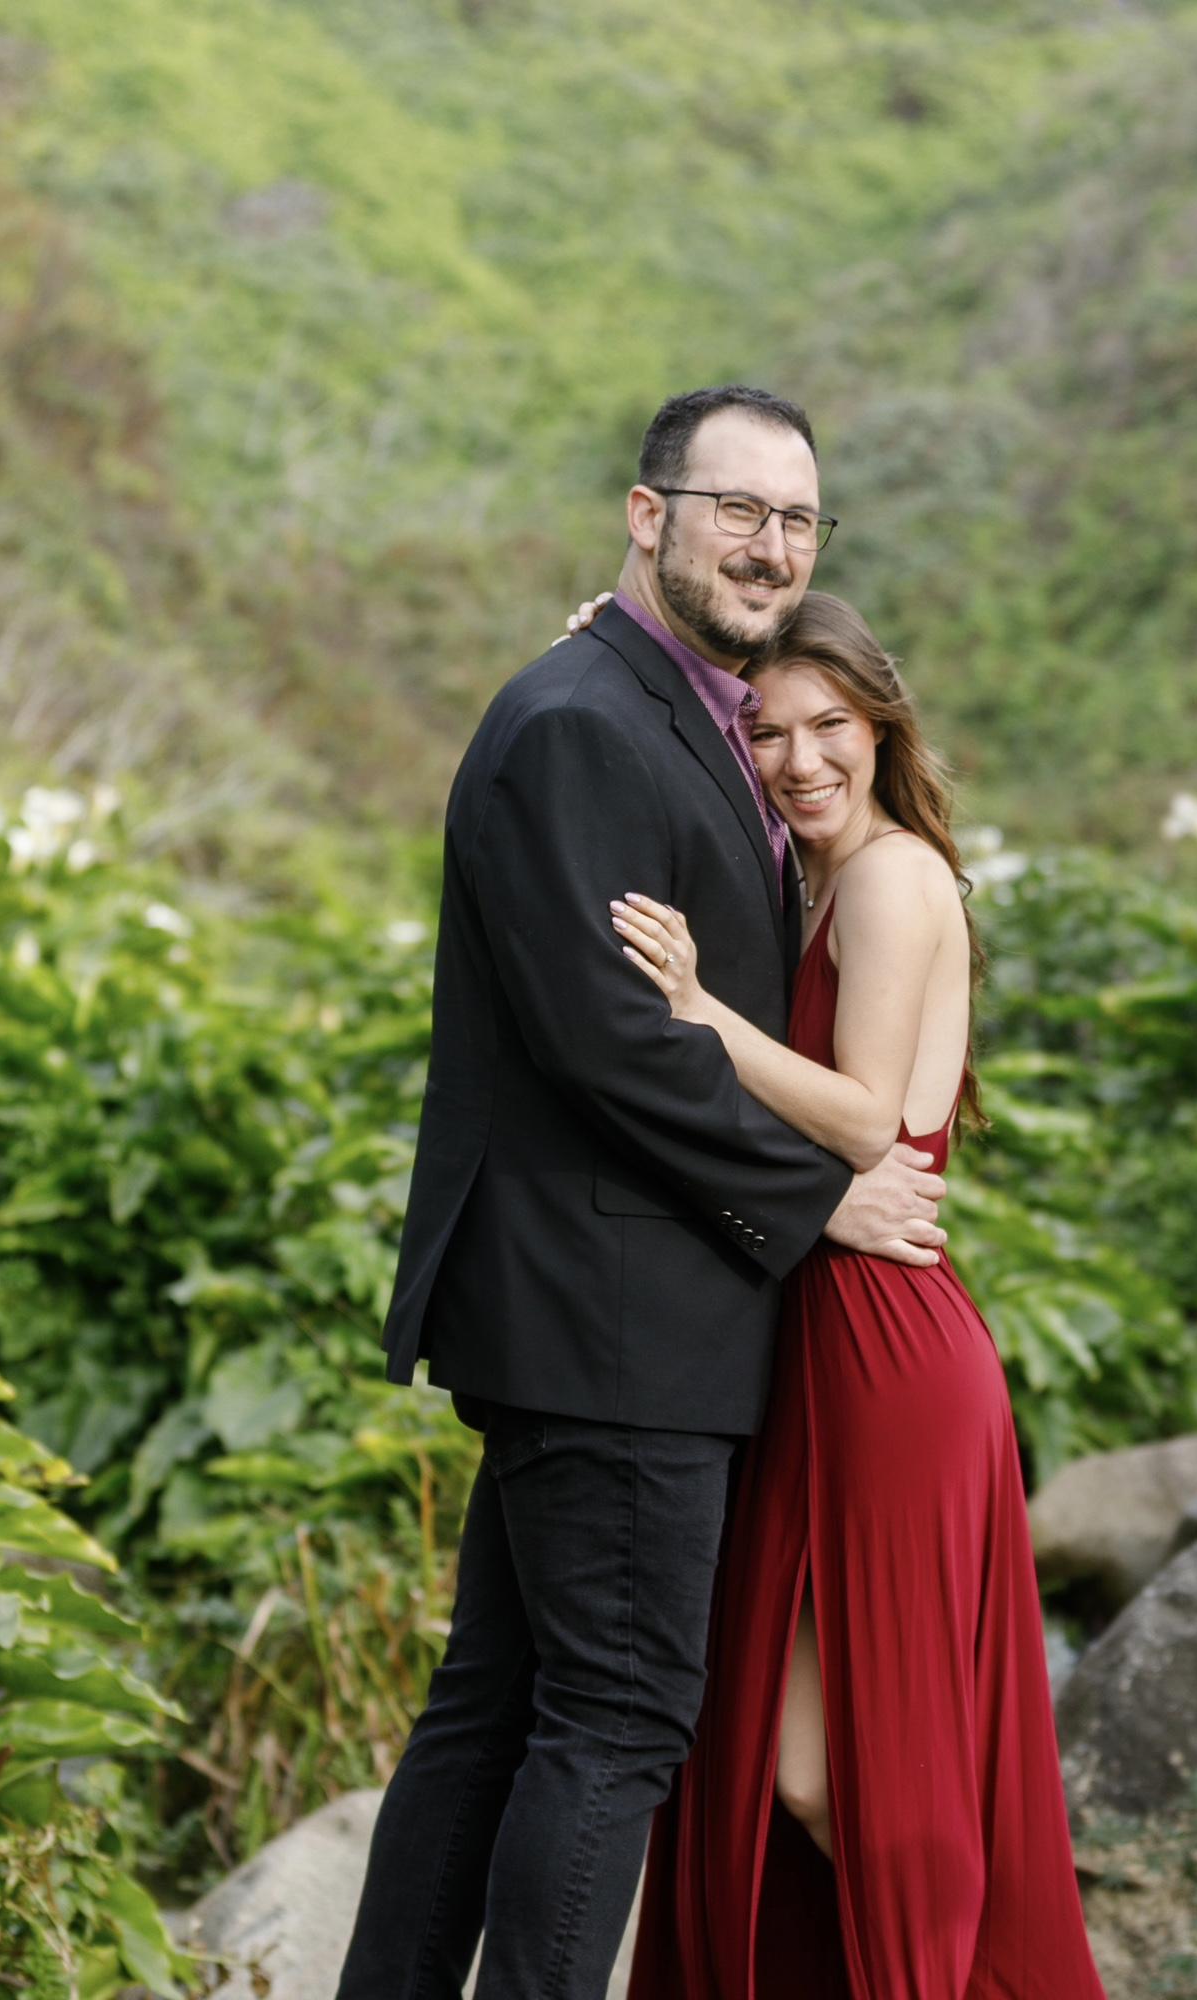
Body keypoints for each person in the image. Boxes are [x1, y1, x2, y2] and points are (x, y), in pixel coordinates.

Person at [335, 387, 952, 2000]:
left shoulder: (674, 707)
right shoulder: (580, 723)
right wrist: (817, 1201)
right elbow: (608, 1038)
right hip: (613, 1318)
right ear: (647, 513)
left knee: (497, 1709)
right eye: (737, 509)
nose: (770, 545)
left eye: (797, 519)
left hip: (605, 1315)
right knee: (614, 1722)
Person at [599, 591, 1106, 1996]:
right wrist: (619, 633)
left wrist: (701, 1013)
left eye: (830, 726)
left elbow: (872, 1118)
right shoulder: (822, 881)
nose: (799, 759)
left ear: (882, 727)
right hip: (824, 1341)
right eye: (766, 732)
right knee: (804, 1770)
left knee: (873, 1778)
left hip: (886, 1352)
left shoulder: (888, 880)